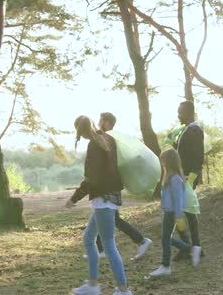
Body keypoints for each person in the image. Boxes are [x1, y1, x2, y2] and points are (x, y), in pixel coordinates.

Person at [65, 116, 132, 295]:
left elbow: (91, 179)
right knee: (88, 239)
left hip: (103, 199)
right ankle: (93, 285)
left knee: (109, 245)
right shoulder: (107, 138)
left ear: (80, 132)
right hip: (111, 196)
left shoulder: (94, 145)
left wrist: (74, 198)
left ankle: (124, 290)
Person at [86, 112, 153, 261]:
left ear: (107, 123)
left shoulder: (108, 139)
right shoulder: (110, 139)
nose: (98, 123)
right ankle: (102, 249)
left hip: (109, 187)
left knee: (110, 217)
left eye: (101, 120)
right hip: (110, 187)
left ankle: (140, 241)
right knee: (107, 216)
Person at [149, 149, 192, 277]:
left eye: (163, 161)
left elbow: (178, 200)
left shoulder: (175, 180)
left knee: (165, 238)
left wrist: (178, 217)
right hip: (169, 212)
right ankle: (189, 249)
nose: (162, 163)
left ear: (169, 162)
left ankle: (165, 266)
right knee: (166, 238)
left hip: (173, 213)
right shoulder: (169, 178)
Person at [171, 100, 203, 265]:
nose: (178, 114)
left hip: (188, 177)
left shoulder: (194, 130)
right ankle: (191, 246)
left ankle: (190, 247)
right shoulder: (187, 130)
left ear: (189, 112)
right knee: (184, 210)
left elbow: (198, 156)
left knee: (183, 210)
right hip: (182, 175)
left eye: (180, 111)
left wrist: (191, 178)